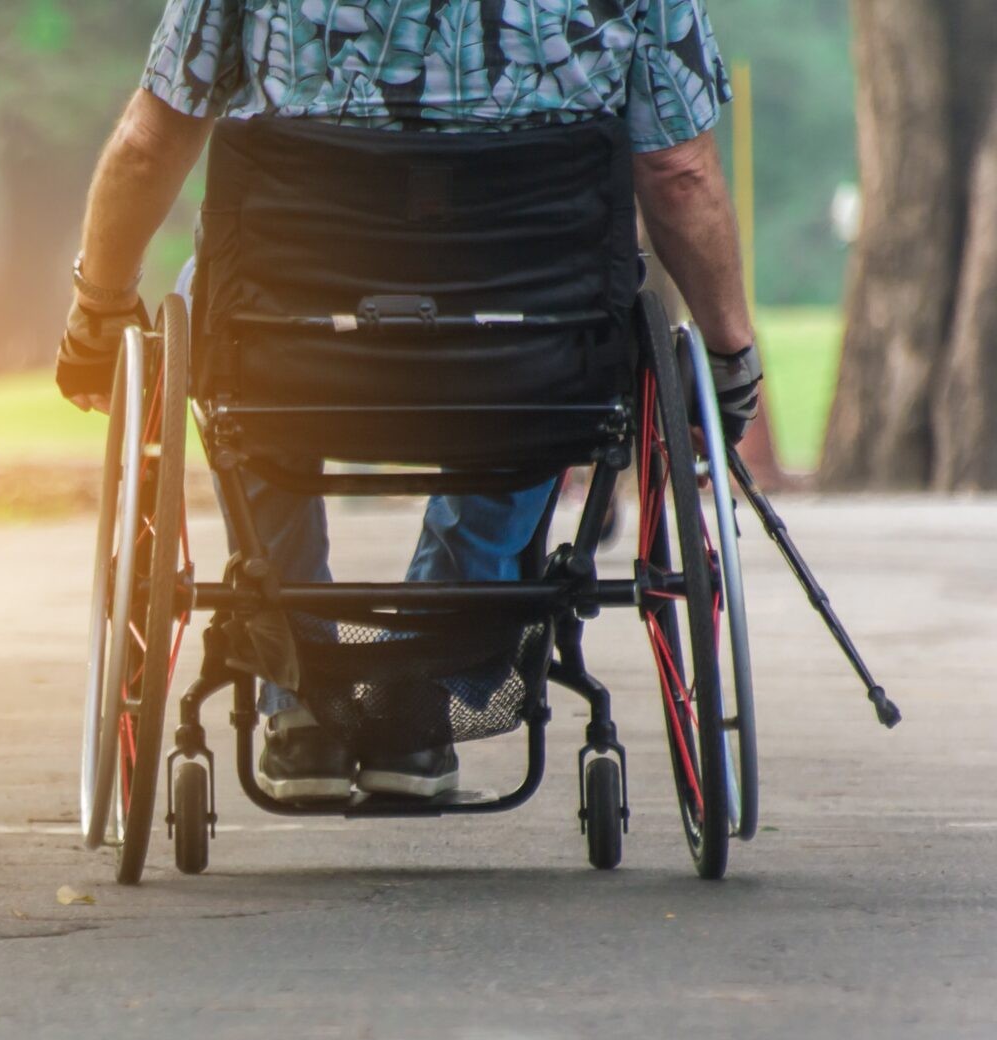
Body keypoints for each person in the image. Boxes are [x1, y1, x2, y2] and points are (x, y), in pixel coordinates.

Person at [56, 0, 762, 801]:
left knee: (217, 310)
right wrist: (729, 358)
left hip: (298, 353)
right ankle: (420, 700)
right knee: (556, 341)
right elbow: (680, 174)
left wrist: (98, 311)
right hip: (522, 353)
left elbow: (148, 146)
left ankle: (304, 697)